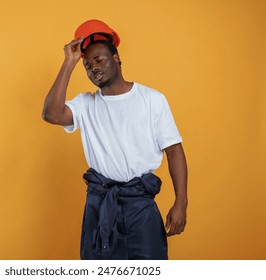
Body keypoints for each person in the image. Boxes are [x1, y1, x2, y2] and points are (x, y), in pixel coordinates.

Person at [42, 19, 188, 260]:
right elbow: (51, 114)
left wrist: (181, 202)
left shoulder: (151, 99)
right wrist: (69, 62)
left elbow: (174, 150)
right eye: (87, 65)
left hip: (140, 205)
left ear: (117, 58)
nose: (93, 68)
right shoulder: (85, 104)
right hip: (100, 205)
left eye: (99, 60)